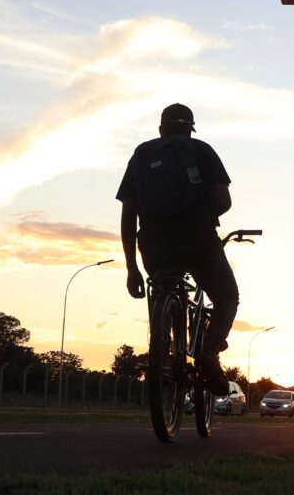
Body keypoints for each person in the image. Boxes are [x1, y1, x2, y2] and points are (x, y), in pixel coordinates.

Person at [116, 103, 237, 396]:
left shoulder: (141, 156)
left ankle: (164, 348)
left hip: (155, 247)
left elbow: (128, 216)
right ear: (190, 129)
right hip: (199, 240)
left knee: (163, 287)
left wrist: (131, 268)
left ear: (161, 129)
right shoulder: (201, 150)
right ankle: (209, 352)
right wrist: (203, 214)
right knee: (226, 297)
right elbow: (224, 202)